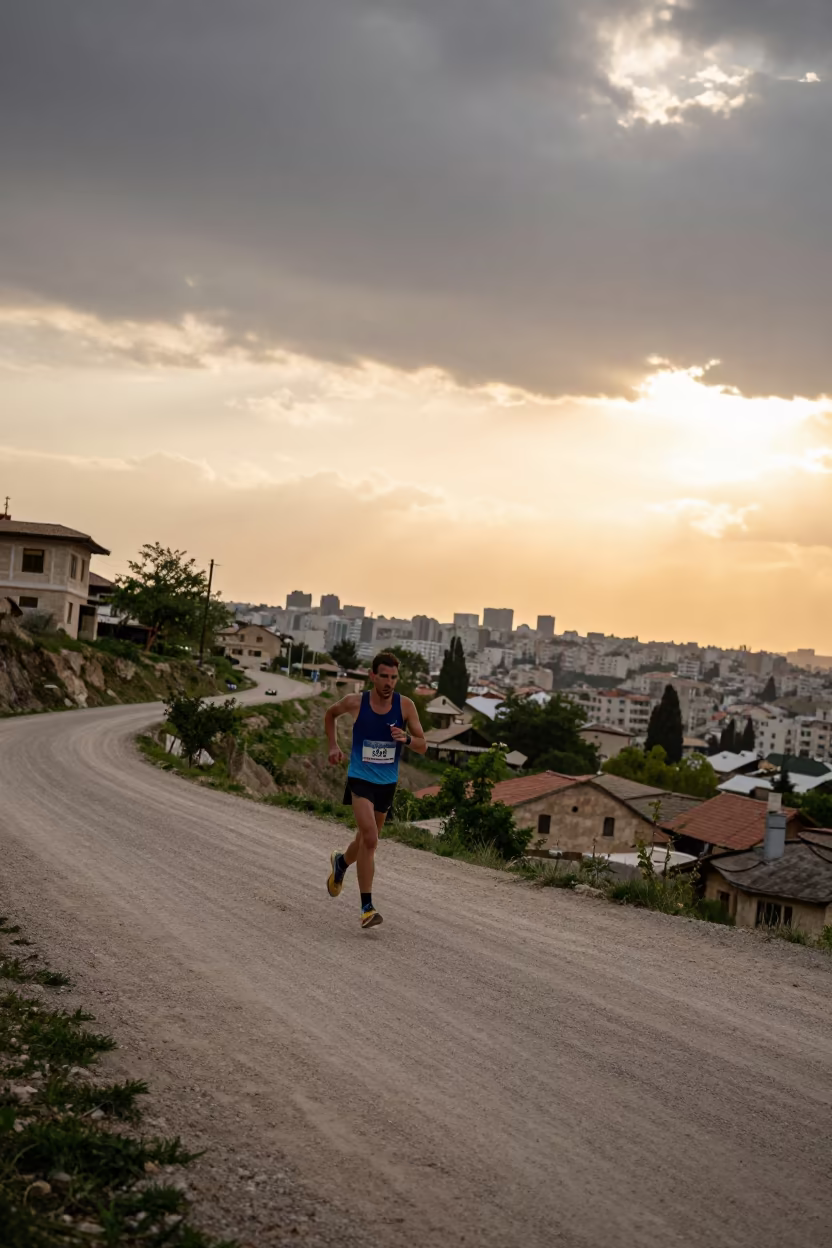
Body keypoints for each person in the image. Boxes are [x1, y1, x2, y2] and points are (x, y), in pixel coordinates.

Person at [324, 651, 427, 927]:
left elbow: (423, 744)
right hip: (360, 778)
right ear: (372, 676)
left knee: (365, 840)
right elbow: (330, 714)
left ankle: (342, 863)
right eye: (384, 676)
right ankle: (367, 908)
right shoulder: (356, 702)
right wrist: (333, 745)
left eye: (394, 677)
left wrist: (406, 738)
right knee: (370, 838)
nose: (389, 682)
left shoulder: (406, 706)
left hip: (387, 783)